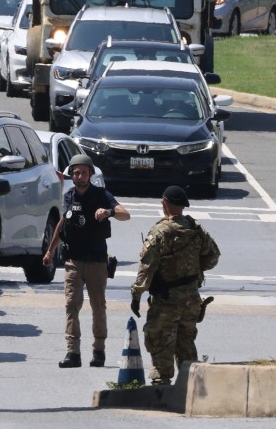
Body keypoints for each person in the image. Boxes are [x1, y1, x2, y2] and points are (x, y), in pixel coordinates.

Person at [43, 154, 130, 369]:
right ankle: (73, 353)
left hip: (96, 262)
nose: (79, 176)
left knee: (98, 306)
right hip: (73, 261)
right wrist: (50, 251)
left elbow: (125, 214)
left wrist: (108, 212)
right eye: (75, 172)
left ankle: (98, 351)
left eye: (83, 172)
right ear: (71, 175)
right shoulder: (69, 196)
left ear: (90, 174)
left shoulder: (101, 195)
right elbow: (62, 224)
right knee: (72, 305)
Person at [130, 185, 220, 386]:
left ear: (165, 204)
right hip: (191, 299)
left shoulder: (161, 232)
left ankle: (162, 386)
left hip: (166, 299)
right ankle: (193, 387)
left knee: (160, 340)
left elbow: (147, 266)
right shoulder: (196, 229)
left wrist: (137, 294)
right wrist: (194, 269)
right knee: (185, 341)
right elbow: (213, 256)